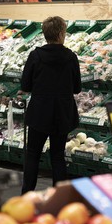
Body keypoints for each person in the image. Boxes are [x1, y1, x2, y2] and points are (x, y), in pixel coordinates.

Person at [20, 16, 81, 193]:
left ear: (44, 34)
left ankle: (27, 195)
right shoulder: (71, 57)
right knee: (57, 156)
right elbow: (77, 88)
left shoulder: (35, 55)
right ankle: (59, 197)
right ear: (62, 33)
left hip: (39, 112)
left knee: (32, 155)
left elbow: (25, 86)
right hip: (62, 113)